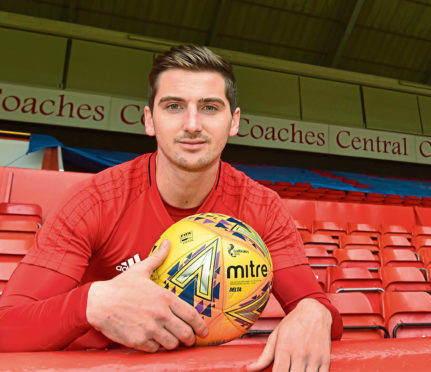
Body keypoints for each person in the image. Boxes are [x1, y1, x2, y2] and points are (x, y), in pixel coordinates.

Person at [0, 45, 342, 371]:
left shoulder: (262, 207)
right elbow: (7, 326)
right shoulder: (94, 201)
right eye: (174, 106)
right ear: (149, 120)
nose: (192, 124)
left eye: (209, 107)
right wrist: (90, 304)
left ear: (234, 121)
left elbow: (321, 310)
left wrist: (315, 310)